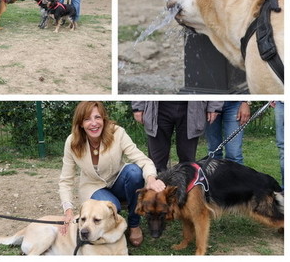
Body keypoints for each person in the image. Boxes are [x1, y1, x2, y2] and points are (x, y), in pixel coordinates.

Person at [59, 101, 165, 248]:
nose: (94, 123)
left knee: (135, 172)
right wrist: (68, 210)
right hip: (93, 187)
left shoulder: (117, 133)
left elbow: (142, 160)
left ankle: (134, 225)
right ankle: (111, 230)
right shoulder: (72, 142)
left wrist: (151, 178)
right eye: (87, 119)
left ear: (103, 119)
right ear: (80, 123)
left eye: (97, 117)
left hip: (118, 179)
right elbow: (66, 180)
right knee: (110, 208)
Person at [131, 101, 222, 172]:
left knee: (187, 163)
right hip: (158, 107)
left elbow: (216, 79)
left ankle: (186, 193)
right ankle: (157, 193)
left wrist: (214, 105)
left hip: (192, 108)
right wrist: (138, 106)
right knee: (156, 163)